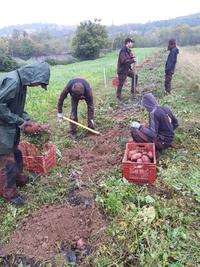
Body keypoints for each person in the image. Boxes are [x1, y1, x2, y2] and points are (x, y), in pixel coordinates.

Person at [0, 62, 50, 206]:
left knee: (17, 152)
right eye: (38, 83)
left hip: (8, 125)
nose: (37, 86)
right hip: (2, 126)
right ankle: (10, 195)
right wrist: (21, 122)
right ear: (33, 76)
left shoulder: (21, 84)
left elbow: (17, 108)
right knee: (7, 160)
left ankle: (19, 179)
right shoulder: (13, 82)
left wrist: (28, 121)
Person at [130, 93, 179, 157]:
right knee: (145, 128)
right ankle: (162, 144)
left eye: (145, 106)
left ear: (147, 104)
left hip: (162, 142)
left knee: (134, 130)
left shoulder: (153, 113)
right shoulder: (166, 108)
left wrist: (139, 126)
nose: (145, 108)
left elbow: (153, 134)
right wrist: (168, 132)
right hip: (170, 139)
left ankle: (154, 150)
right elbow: (176, 123)